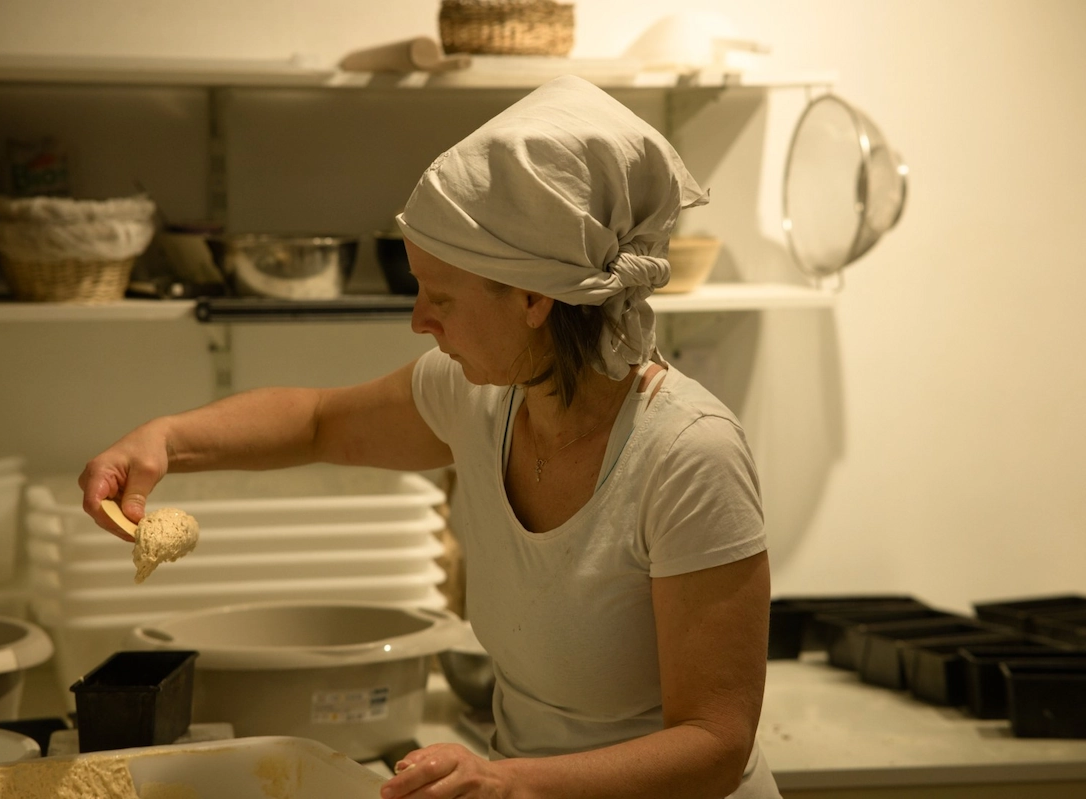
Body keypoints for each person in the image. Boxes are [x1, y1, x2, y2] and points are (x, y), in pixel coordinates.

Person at [80, 75, 778, 799]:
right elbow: (316, 421)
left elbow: (715, 743)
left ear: (533, 298)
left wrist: (507, 782)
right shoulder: (478, 396)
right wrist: (163, 439)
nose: (419, 320)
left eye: (440, 296)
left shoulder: (687, 455)